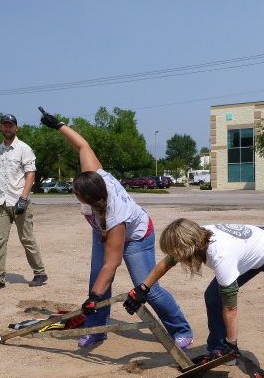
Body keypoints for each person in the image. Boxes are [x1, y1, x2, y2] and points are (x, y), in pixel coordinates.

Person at [39, 107, 193, 348]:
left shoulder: (114, 216)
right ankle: (97, 330)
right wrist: (58, 125)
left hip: (136, 236)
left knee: (147, 287)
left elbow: (112, 263)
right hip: (102, 232)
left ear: (88, 197)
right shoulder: (94, 176)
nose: (73, 191)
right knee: (97, 282)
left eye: (75, 191)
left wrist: (92, 299)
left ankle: (181, 330)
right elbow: (83, 147)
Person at [123, 218, 264, 378]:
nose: (178, 259)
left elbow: (230, 307)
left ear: (190, 248)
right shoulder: (196, 235)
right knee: (212, 296)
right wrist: (143, 289)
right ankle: (217, 349)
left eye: (179, 254)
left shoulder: (220, 255)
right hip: (252, 251)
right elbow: (166, 262)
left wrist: (233, 343)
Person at [0, 114, 47, 292]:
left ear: (16, 128)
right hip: (1, 202)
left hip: (19, 202)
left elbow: (30, 174)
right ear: (1, 127)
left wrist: (23, 198)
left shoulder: (24, 149)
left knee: (26, 238)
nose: (7, 128)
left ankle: (40, 272)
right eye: (5, 125)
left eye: (10, 125)